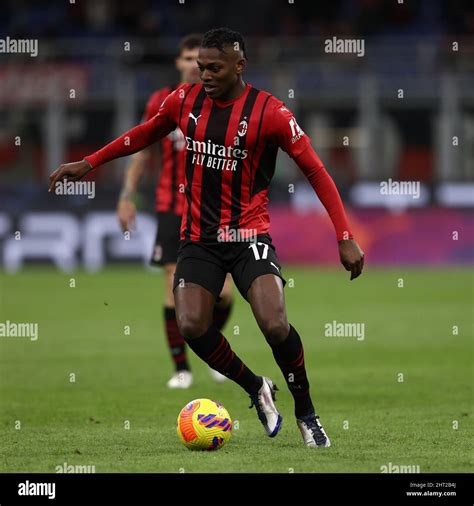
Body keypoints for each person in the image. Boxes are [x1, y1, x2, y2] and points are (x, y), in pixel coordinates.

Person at [49, 27, 364, 448]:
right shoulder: (182, 101)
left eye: (214, 68)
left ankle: (307, 414)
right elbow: (142, 135)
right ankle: (256, 387)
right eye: (200, 68)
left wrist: (344, 235)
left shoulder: (270, 112)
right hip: (198, 238)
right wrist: (89, 163)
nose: (205, 75)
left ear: (239, 65)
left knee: (274, 324)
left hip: (249, 233)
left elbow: (317, 172)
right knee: (192, 324)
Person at [117, 34, 233, 388]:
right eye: (186, 59)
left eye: (197, 60)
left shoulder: (222, 101)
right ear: (179, 63)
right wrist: (127, 195)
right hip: (172, 205)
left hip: (215, 210)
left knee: (225, 292)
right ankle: (181, 368)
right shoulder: (163, 101)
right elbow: (141, 150)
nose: (191, 65)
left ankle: (211, 349)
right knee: (173, 283)